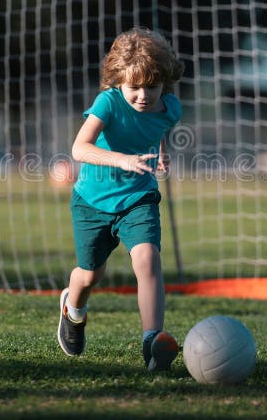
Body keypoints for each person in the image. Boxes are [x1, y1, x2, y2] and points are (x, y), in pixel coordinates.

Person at [57, 27, 184, 371]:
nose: (143, 95)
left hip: (138, 198)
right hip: (92, 202)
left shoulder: (170, 108)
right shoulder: (108, 102)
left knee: (148, 260)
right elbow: (79, 148)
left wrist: (158, 154)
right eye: (134, 88)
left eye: (152, 87)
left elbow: (154, 130)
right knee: (89, 275)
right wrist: (123, 159)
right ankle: (74, 310)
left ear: (164, 84)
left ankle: (152, 341)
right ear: (119, 82)